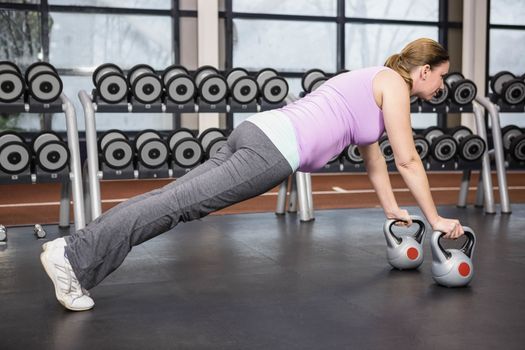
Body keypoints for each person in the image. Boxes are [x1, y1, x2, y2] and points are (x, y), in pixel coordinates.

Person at [41, 38, 465, 311]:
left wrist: (393, 210)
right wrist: (437, 218)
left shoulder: (373, 80)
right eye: (441, 78)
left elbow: (375, 158)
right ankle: (72, 258)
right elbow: (408, 160)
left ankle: (73, 254)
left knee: (168, 198)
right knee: (173, 207)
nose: (441, 88)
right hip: (271, 151)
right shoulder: (394, 84)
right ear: (423, 71)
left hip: (258, 130)